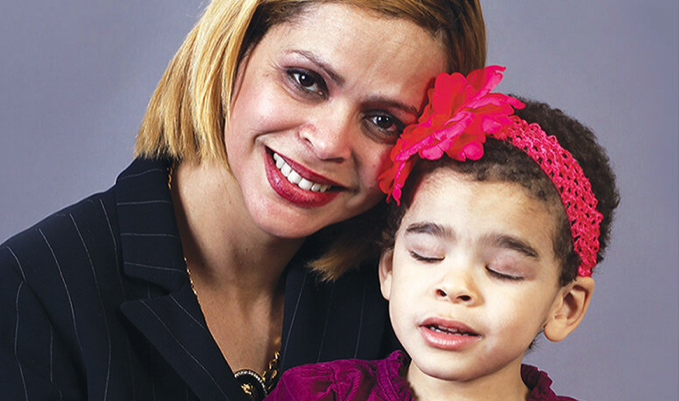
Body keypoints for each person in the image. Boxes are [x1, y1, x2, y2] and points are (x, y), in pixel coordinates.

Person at [0, 1, 487, 400]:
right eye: (306, 81)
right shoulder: (27, 294)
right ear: (233, 52)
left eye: (384, 121)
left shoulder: (405, 300)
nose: (330, 142)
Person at [264, 66, 620, 400]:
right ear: (389, 269)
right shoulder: (318, 394)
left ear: (566, 306)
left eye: (502, 270)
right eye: (426, 254)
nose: (454, 287)